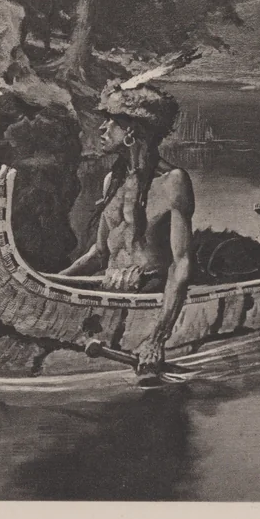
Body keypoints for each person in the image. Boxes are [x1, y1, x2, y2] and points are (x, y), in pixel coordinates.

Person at [57, 79, 194, 377]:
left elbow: (180, 264)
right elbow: (99, 253)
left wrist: (158, 338)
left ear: (132, 130)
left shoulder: (173, 183)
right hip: (109, 290)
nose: (102, 129)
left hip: (148, 299)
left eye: (111, 122)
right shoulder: (112, 181)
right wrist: (55, 281)